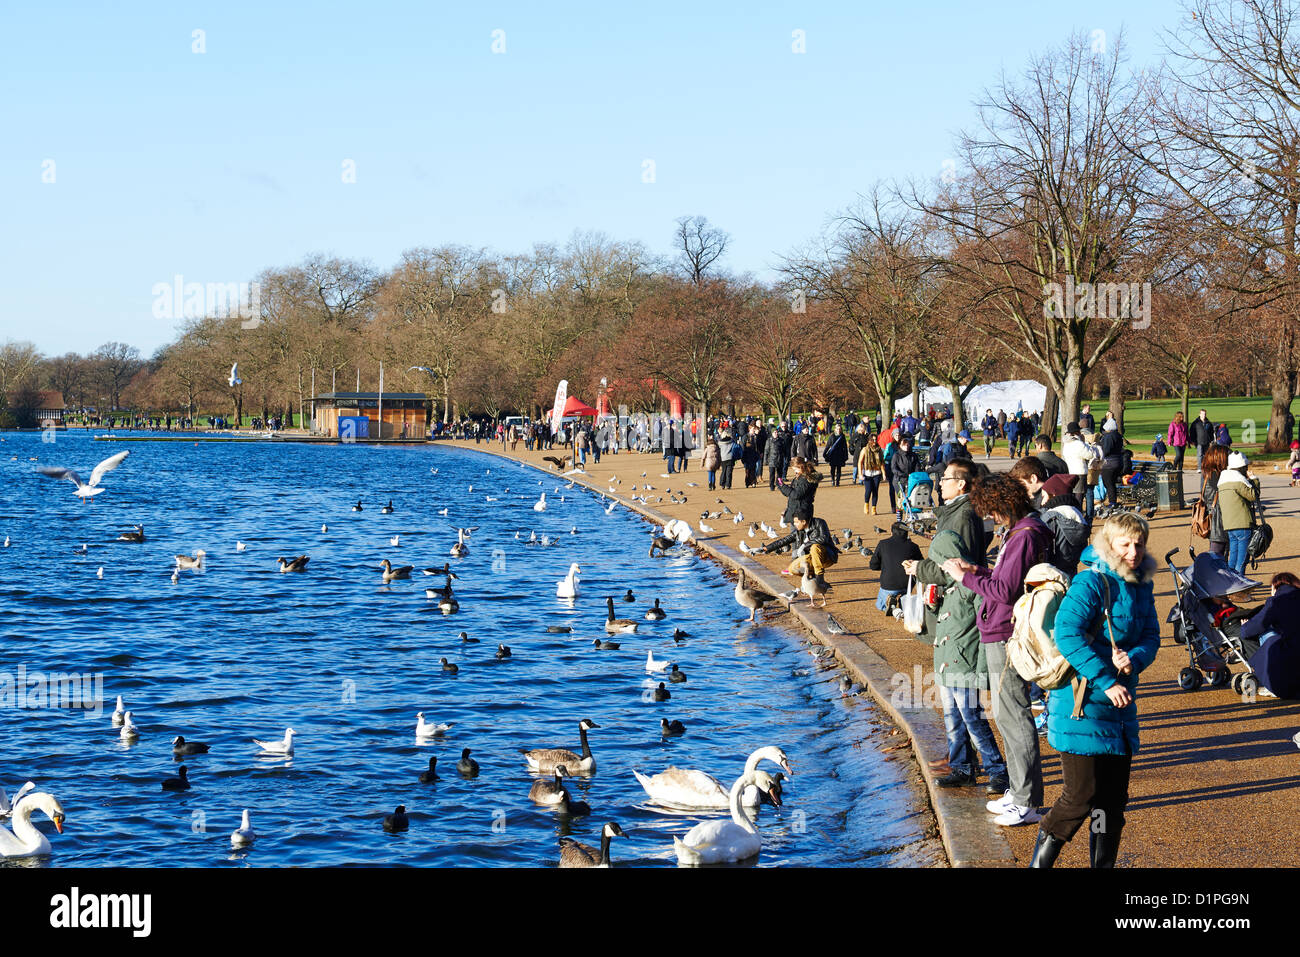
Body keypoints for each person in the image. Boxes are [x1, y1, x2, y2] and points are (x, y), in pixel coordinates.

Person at [1028, 512, 1162, 868]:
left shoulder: (1141, 583)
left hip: (1119, 707)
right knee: (1079, 797)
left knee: (1111, 802)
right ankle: (1039, 865)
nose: (1134, 551)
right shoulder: (1091, 582)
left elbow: (1152, 636)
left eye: (1139, 544)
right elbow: (1067, 633)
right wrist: (1106, 679)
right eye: (1125, 544)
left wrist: (1133, 658)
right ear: (1109, 544)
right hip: (1082, 703)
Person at [941, 474, 1052, 828]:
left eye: (992, 512)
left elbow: (1004, 591)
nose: (990, 519)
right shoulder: (1025, 531)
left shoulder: (1024, 535)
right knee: (1009, 715)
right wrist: (979, 569)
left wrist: (966, 577)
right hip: (1003, 628)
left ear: (1004, 505)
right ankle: (1021, 792)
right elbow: (1009, 578)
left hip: (1005, 632)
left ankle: (1026, 799)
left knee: (1013, 716)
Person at [760, 505, 839, 588]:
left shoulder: (820, 523)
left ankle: (820, 580)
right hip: (811, 557)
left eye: (797, 522)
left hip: (826, 556)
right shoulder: (799, 531)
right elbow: (785, 540)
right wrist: (766, 548)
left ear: (804, 522)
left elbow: (823, 538)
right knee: (792, 569)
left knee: (815, 547)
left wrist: (805, 545)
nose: (794, 524)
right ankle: (810, 580)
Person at [1039, 471, 1091, 576]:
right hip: (1071, 570)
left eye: (1043, 496)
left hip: (1051, 573)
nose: (1042, 502)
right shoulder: (1078, 515)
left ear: (1053, 494)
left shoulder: (1051, 517)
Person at [1217, 451, 1259, 575]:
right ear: (1241, 467)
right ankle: (1239, 590)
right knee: (1242, 560)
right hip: (1243, 524)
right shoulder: (1238, 480)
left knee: (1233, 559)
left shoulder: (1223, 481)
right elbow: (1253, 495)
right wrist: (1254, 480)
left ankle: (1230, 585)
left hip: (1230, 525)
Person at [870, 523, 922, 614]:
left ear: (891, 532)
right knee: (904, 600)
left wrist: (886, 566)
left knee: (880, 605)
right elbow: (921, 566)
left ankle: (894, 609)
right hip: (907, 585)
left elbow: (873, 566)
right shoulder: (914, 546)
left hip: (888, 584)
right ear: (907, 533)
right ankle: (902, 603)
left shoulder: (883, 544)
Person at [1200, 444, 1229, 557]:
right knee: (1218, 557)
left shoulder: (1208, 473)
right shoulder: (1215, 475)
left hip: (1216, 520)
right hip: (1219, 521)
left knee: (1218, 556)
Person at [777, 456, 821, 523]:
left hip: (801, 513)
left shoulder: (805, 479)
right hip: (795, 509)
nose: (795, 472)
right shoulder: (799, 477)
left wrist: (783, 486)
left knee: (799, 532)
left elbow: (796, 494)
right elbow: (790, 493)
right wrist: (780, 486)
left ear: (800, 467)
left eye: (795, 469)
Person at [890, 435, 921, 519]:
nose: (906, 447)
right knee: (902, 498)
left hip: (911, 480)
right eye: (904, 445)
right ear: (900, 445)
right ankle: (899, 518)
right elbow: (894, 468)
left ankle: (912, 515)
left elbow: (917, 466)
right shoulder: (896, 456)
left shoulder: (913, 455)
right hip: (899, 480)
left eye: (907, 445)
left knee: (912, 497)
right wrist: (903, 474)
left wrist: (915, 474)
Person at [1098, 419, 1125, 508]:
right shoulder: (1118, 436)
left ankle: (1112, 502)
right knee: (1111, 483)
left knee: (1108, 483)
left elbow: (1106, 450)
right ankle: (1113, 500)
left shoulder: (1109, 437)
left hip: (1109, 463)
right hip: (1118, 461)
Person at [857, 439, 886, 515]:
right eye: (872, 440)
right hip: (867, 473)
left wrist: (883, 473)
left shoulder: (879, 450)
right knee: (868, 490)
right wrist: (860, 474)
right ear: (869, 440)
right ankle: (866, 504)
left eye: (875, 440)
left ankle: (874, 508)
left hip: (877, 472)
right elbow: (860, 462)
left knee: (875, 491)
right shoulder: (865, 449)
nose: (874, 441)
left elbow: (882, 462)